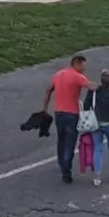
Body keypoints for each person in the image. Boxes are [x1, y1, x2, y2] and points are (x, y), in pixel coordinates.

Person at [45, 53, 95, 184]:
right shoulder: (77, 76)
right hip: (72, 114)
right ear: (76, 64)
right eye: (83, 66)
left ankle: (61, 162)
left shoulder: (58, 75)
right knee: (70, 143)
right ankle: (66, 170)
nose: (84, 69)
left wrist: (44, 108)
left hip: (58, 112)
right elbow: (91, 86)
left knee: (61, 139)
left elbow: (48, 90)